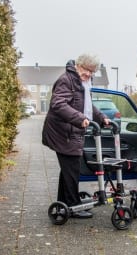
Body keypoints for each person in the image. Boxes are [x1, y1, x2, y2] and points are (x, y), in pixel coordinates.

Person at [42, 54, 110, 219]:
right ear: (78, 65)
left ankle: (63, 204)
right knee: (72, 168)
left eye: (91, 72)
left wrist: (101, 117)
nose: (89, 74)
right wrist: (80, 119)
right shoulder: (66, 80)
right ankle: (72, 206)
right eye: (86, 70)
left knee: (68, 169)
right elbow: (58, 104)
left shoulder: (84, 82)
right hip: (62, 132)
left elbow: (87, 105)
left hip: (71, 131)